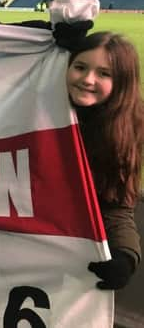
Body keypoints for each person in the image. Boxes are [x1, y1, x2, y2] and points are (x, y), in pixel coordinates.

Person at [65, 32, 143, 290]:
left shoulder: (125, 131)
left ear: (121, 82)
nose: (88, 79)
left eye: (104, 73)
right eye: (80, 67)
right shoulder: (40, 103)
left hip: (62, 248)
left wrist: (126, 255)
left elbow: (117, 205)